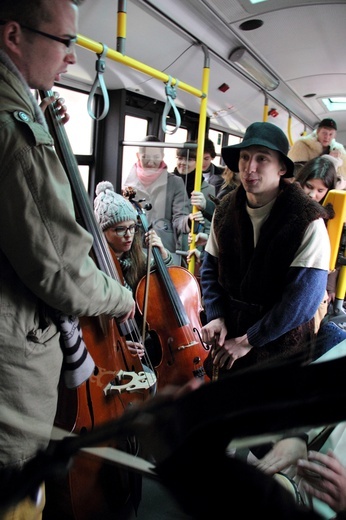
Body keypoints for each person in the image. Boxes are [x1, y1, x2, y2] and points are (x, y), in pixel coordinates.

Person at [0, 1, 137, 518]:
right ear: (15, 35)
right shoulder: (12, 129)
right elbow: (60, 269)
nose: (71, 58)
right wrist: (120, 298)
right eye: (64, 41)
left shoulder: (22, 113)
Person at [200, 121, 331, 377]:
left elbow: (303, 299)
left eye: (262, 159)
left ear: (282, 167)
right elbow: (209, 269)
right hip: (230, 334)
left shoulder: (307, 220)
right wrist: (215, 314)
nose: (250, 167)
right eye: (245, 157)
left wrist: (250, 339)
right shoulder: (226, 210)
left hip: (280, 342)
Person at [93, 180, 174, 369]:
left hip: (143, 342)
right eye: (120, 229)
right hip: (109, 350)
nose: (129, 235)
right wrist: (118, 344)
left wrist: (162, 253)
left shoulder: (140, 259)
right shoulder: (94, 266)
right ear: (103, 232)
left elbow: (171, 283)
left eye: (132, 228)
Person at [122, 135, 190, 265]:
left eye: (156, 157)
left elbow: (179, 218)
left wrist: (188, 222)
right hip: (135, 250)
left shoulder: (175, 182)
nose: (151, 162)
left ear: (162, 156)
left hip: (165, 250)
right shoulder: (127, 184)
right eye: (146, 157)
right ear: (138, 156)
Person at [173, 143, 216, 262]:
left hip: (193, 248)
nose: (183, 163)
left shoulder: (208, 189)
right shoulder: (168, 184)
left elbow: (209, 226)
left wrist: (202, 252)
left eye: (189, 159)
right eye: (180, 158)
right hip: (171, 247)